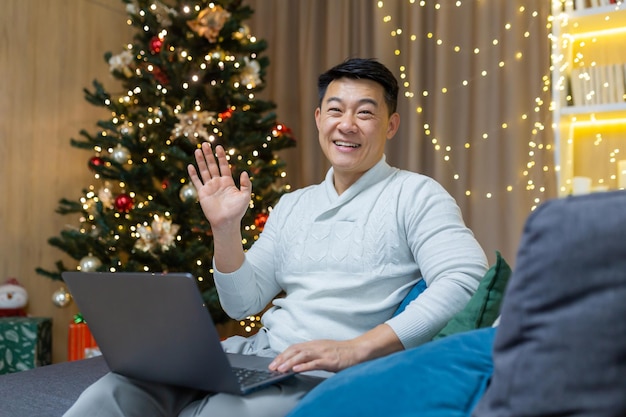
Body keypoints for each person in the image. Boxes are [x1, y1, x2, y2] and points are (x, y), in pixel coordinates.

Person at [63, 58, 488, 417]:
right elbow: (241, 302)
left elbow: (464, 278)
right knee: (108, 394)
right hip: (255, 356)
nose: (347, 125)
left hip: (322, 375)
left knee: (219, 414)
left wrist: (355, 350)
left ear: (390, 125)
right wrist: (225, 230)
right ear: (320, 119)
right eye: (336, 110)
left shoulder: (416, 194)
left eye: (365, 112)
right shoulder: (294, 205)